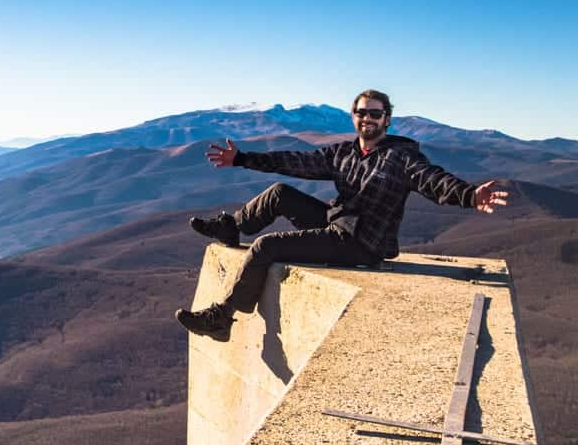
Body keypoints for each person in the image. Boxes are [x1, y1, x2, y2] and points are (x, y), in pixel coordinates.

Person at [174, 90, 509, 340]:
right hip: (338, 226)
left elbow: (432, 179)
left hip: (362, 244)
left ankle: (222, 318)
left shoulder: (401, 158)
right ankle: (232, 228)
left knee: (266, 247)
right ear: (354, 116)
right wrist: (244, 158)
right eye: (362, 112)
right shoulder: (345, 153)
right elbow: (297, 162)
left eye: (376, 114)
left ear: (387, 119)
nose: (368, 119)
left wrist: (469, 195)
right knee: (280, 194)